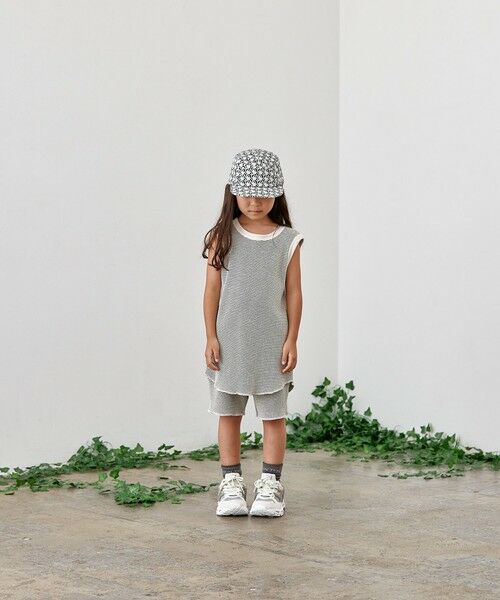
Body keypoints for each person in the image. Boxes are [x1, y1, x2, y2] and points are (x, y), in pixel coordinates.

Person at [202, 148, 304, 518]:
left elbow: (293, 293)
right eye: (247, 194)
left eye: (263, 194)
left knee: (273, 417)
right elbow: (212, 290)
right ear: (233, 193)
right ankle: (231, 483)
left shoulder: (287, 240)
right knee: (228, 414)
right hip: (229, 344)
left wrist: (291, 339)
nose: (255, 202)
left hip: (272, 345)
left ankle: (271, 485)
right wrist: (211, 337)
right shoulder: (223, 236)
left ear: (276, 193)